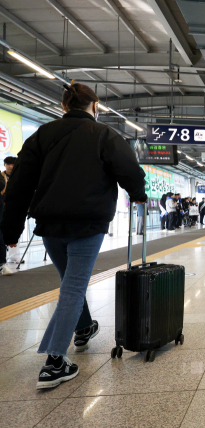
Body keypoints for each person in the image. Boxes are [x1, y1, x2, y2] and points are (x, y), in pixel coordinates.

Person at [0, 81, 146, 389]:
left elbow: (19, 186)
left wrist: (10, 231)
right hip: (88, 225)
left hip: (50, 225)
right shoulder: (104, 135)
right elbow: (129, 169)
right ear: (94, 107)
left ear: (64, 106)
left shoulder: (42, 135)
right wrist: (138, 193)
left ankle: (83, 328)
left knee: (71, 284)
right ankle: (54, 362)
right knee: (73, 288)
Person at [0, 156, 17, 275]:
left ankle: (3, 263)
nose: (10, 166)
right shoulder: (2, 176)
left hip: (9, 209)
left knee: (2, 237)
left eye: (12, 164)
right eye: (8, 164)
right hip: (4, 208)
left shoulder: (19, 176)